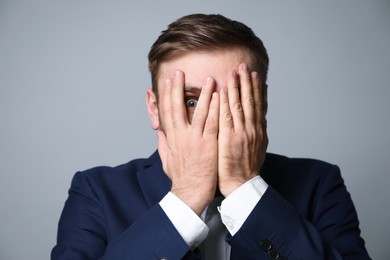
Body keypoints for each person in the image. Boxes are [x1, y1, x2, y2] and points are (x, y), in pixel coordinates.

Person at [51, 14, 370, 259]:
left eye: (234, 97)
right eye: (191, 100)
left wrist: (244, 189)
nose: (213, 118)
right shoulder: (96, 192)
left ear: (262, 104)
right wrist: (186, 197)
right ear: (155, 108)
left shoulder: (319, 184)